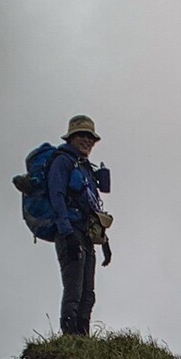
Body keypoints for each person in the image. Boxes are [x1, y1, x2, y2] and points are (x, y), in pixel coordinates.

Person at [48, 115, 111, 336]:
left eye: (90, 137)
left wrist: (104, 242)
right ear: (71, 137)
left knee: (88, 293)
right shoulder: (62, 162)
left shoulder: (85, 168)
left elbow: (92, 206)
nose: (87, 141)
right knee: (74, 289)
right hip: (70, 232)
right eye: (82, 136)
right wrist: (67, 234)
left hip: (85, 233)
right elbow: (56, 197)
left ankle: (82, 338)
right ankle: (69, 337)